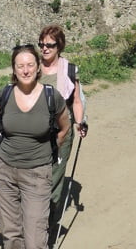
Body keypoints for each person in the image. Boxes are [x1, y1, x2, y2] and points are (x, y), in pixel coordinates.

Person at [0, 44, 71, 249]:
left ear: (38, 67)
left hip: (37, 173)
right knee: (11, 233)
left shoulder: (51, 97)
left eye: (30, 65)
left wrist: (47, 152)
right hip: (4, 172)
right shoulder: (4, 93)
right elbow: (0, 113)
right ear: (13, 69)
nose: (25, 70)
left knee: (35, 238)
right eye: (20, 65)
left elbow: (64, 128)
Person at [37, 25, 87, 227]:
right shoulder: (33, 67)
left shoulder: (69, 70)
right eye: (41, 44)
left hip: (61, 132)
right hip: (35, 132)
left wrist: (80, 121)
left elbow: (76, 101)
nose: (45, 49)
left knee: (55, 176)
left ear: (59, 46)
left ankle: (46, 222)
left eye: (50, 45)